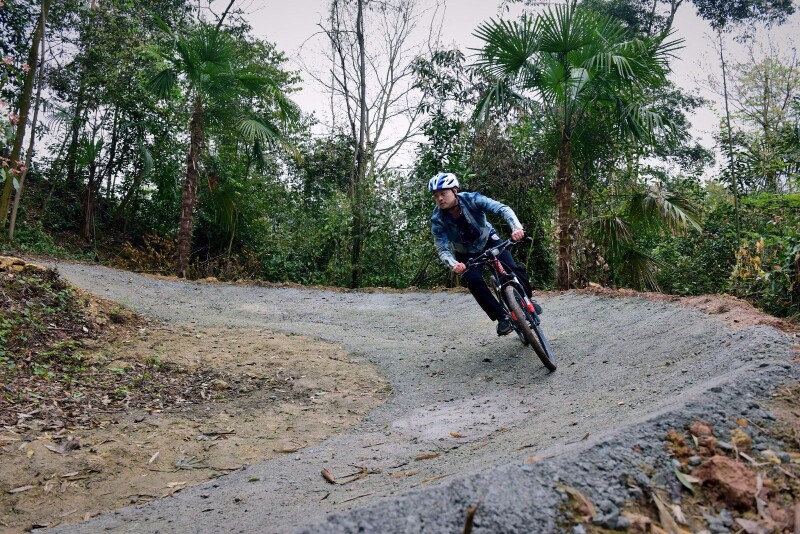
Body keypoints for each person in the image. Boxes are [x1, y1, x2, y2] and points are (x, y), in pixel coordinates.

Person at [429, 172, 540, 335]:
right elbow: (442, 248)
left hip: (488, 239)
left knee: (512, 268)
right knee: (473, 281)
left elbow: (502, 209)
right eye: (436, 195)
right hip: (464, 253)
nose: (439, 199)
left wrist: (516, 228)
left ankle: (526, 300)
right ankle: (502, 318)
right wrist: (454, 264)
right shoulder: (437, 219)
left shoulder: (472, 199)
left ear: (455, 191)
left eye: (443, 193)